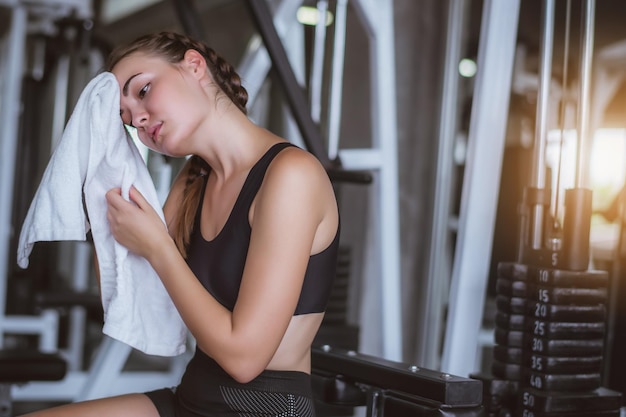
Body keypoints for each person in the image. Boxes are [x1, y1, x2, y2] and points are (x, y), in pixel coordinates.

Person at [19, 31, 340, 417]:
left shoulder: (291, 175)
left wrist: (157, 246)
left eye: (143, 91)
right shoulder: (194, 178)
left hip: (263, 407)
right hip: (192, 397)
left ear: (194, 66)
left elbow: (244, 359)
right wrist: (102, 169)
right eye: (126, 121)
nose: (137, 119)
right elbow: (128, 292)